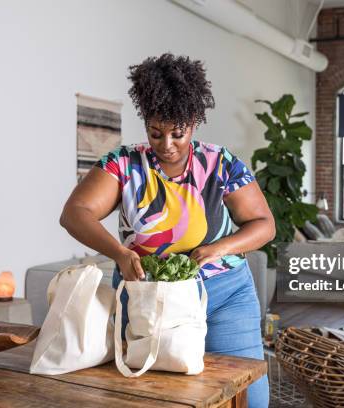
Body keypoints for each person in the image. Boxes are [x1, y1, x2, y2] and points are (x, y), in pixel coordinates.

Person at [60, 53, 275, 407]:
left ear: (194, 122)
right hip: (147, 298)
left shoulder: (221, 164)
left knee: (247, 396)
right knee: (157, 397)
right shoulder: (123, 164)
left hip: (224, 295)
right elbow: (74, 213)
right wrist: (120, 253)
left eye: (178, 133)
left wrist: (217, 249)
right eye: (156, 133)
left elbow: (264, 225)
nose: (167, 145)